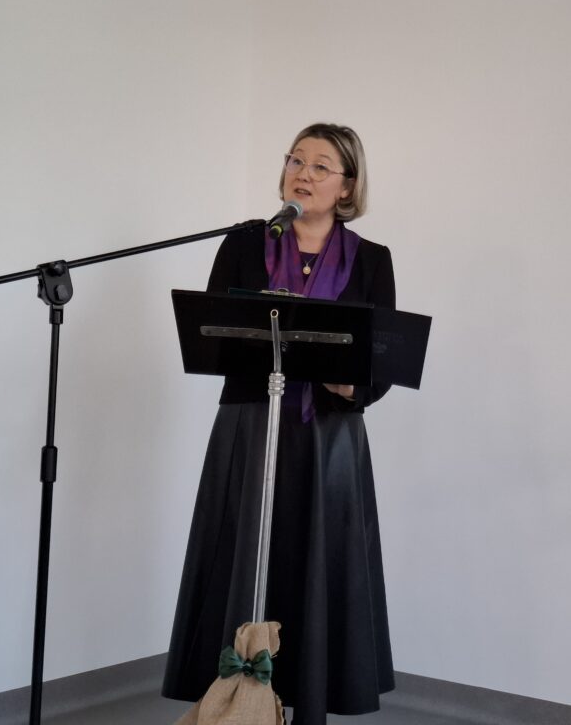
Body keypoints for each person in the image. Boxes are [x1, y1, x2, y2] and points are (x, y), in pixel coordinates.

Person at [163, 123, 396, 725]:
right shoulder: (246, 243)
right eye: (296, 160)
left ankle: (307, 696)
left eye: (321, 166)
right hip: (250, 423)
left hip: (328, 437)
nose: (303, 174)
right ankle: (237, 706)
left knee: (317, 565)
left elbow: (382, 361)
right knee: (243, 557)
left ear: (348, 186)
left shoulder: (373, 260)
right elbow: (214, 335)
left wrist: (352, 383)